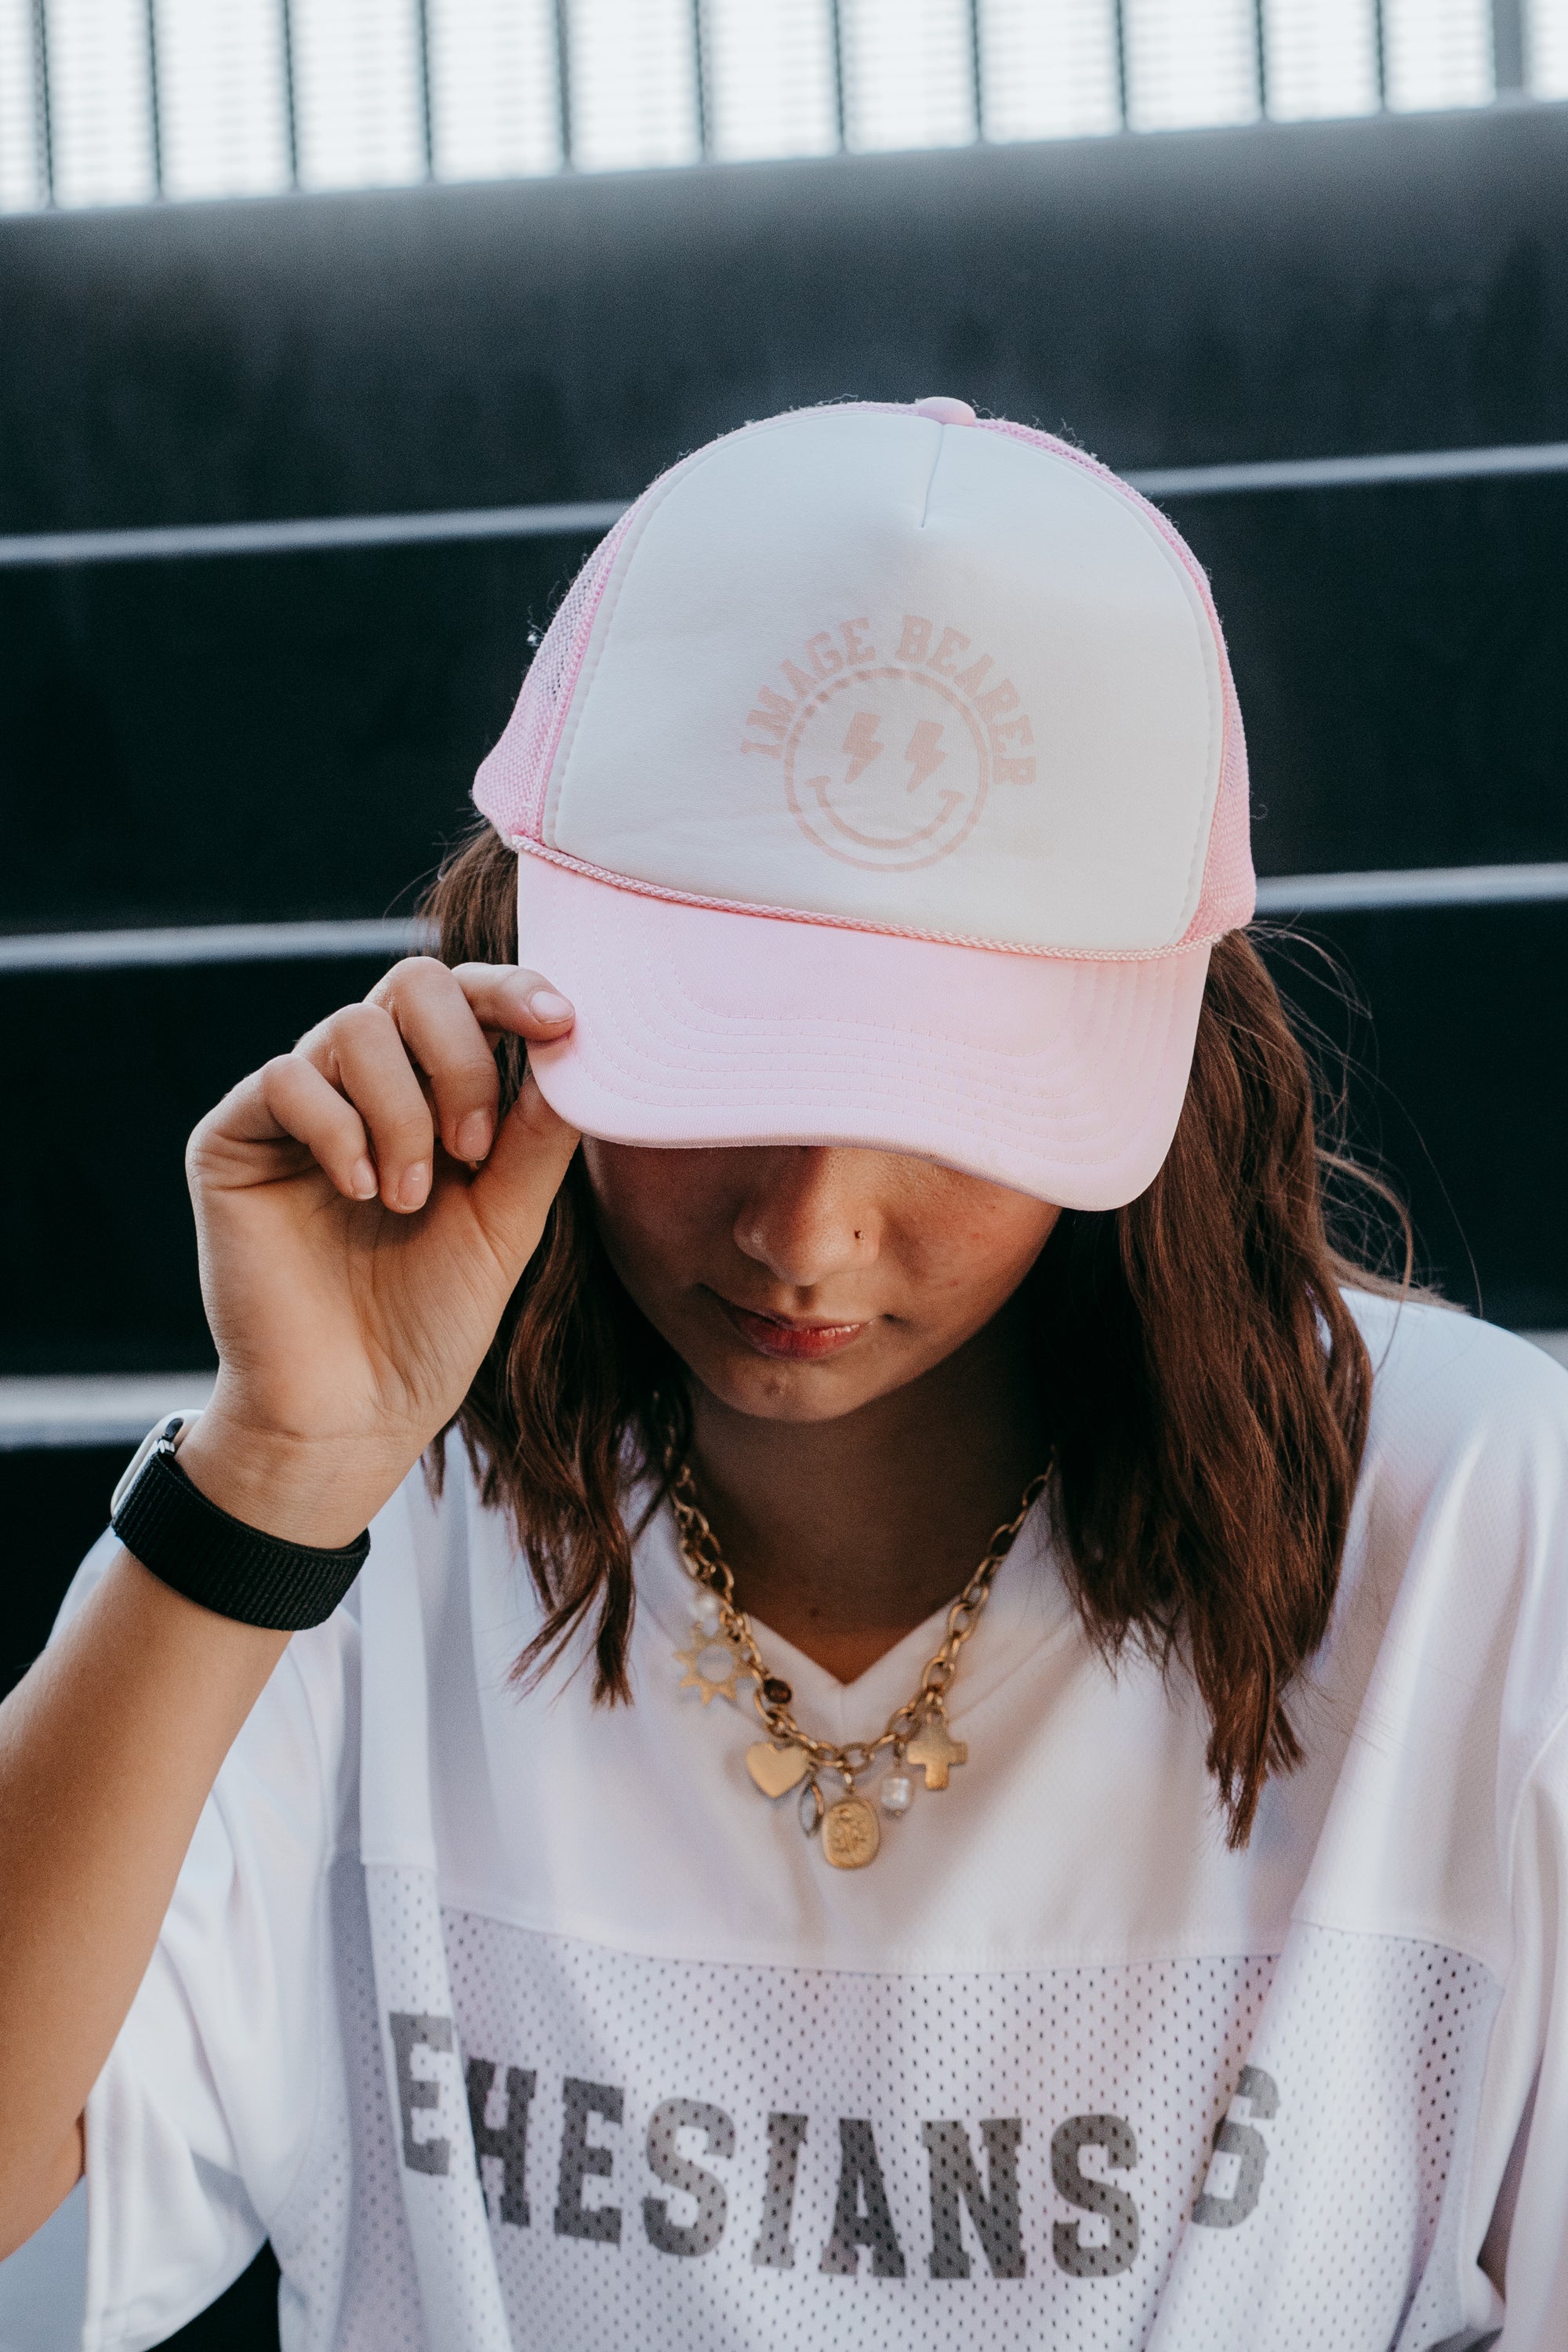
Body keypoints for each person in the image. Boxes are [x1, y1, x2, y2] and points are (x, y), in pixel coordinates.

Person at [0, 397, 1560, 2352]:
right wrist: (271, 1481)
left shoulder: (1477, 1516)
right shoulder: (352, 1525)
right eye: (718, 1060)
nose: (805, 1232)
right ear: (516, 967)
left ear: (1172, 1056)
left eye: (951, 1100)